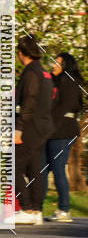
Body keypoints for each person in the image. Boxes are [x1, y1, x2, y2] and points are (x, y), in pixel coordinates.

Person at [14, 35, 53, 226]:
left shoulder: (30, 73)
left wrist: (19, 128)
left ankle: (27, 208)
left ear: (22, 54)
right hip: (43, 127)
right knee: (35, 169)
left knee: (13, 166)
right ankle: (37, 211)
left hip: (30, 126)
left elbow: (28, 102)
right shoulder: (45, 73)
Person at [43, 52, 84, 222]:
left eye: (57, 64)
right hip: (53, 130)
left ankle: (64, 209)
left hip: (63, 130)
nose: (53, 66)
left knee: (58, 168)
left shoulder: (70, 82)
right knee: (42, 168)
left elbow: (63, 107)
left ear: (66, 65)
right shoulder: (56, 80)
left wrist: (47, 124)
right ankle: (34, 208)